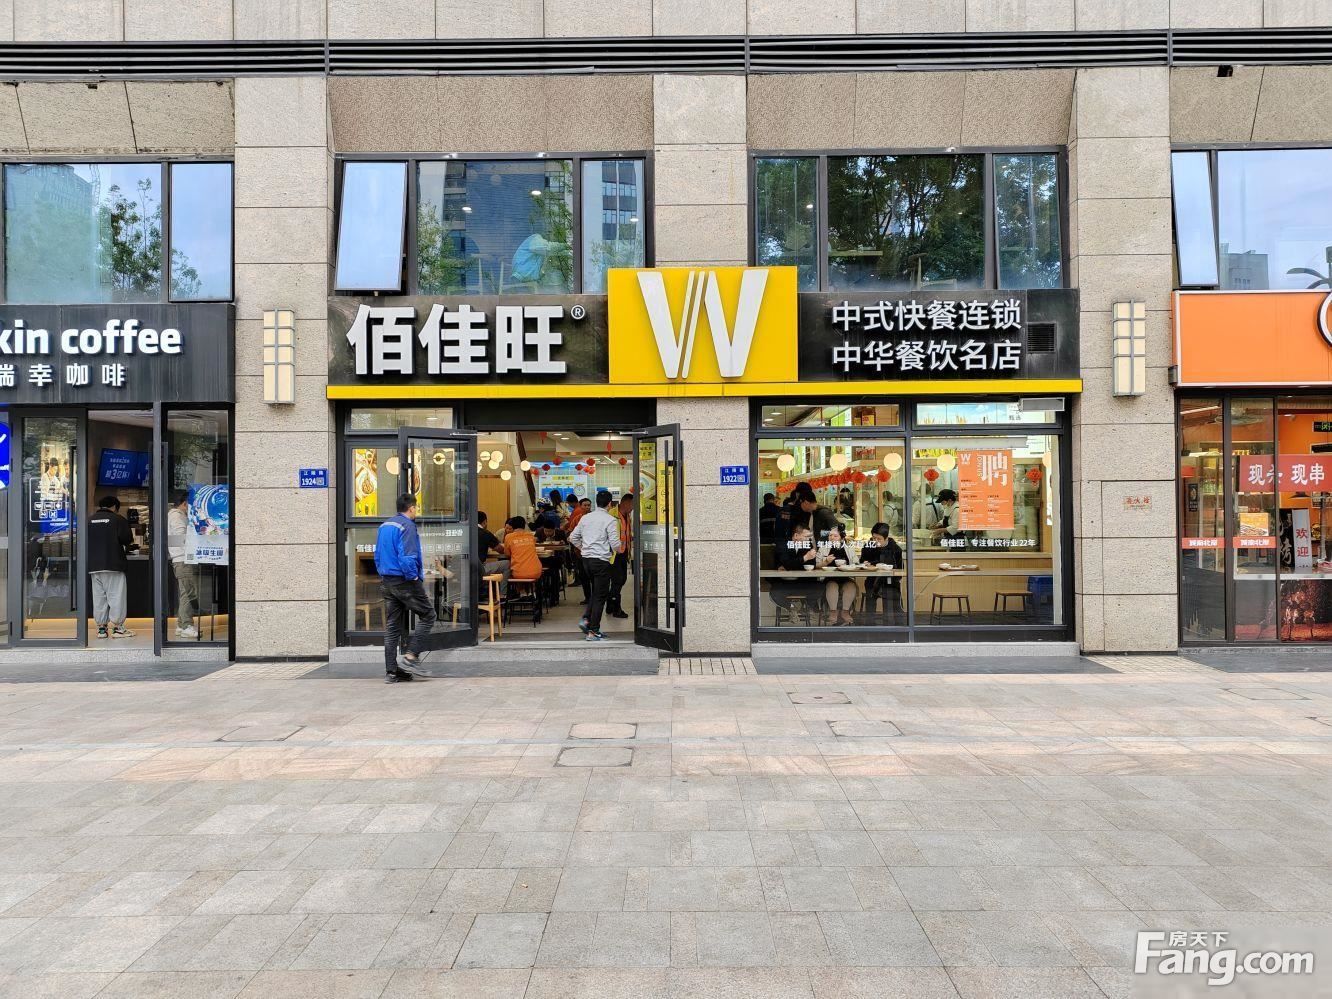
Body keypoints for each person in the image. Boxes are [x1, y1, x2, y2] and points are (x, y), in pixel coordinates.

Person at [375, 492, 434, 683]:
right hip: (404, 581)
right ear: (412, 508)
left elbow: (377, 556)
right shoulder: (407, 526)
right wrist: (414, 577)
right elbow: (407, 556)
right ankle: (411, 656)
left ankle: (391, 672)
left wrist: (384, 574)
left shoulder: (385, 525)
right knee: (428, 615)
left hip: (387, 581)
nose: (416, 511)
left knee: (393, 626)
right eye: (416, 508)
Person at [568, 490, 620, 641]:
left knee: (596, 592)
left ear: (596, 502)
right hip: (601, 561)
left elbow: (572, 537)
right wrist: (619, 549)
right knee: (600, 596)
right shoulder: (610, 520)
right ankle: (593, 631)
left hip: (586, 561)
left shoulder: (585, 518)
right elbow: (614, 543)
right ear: (610, 504)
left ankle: (586, 620)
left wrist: (584, 548)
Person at [89, 496, 136, 639]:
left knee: (99, 598)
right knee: (116, 596)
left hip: (94, 566)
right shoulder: (118, 519)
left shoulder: (89, 520)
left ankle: (101, 629)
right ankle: (118, 628)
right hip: (113, 564)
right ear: (115, 507)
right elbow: (127, 540)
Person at [769, 523, 821, 623]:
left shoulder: (808, 545)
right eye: (806, 536)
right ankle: (792, 608)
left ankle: (806, 607)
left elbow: (811, 565)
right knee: (774, 593)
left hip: (802, 582)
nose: (808, 539)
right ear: (796, 535)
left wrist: (792, 564)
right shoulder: (783, 544)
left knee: (820, 587)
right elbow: (787, 563)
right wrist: (804, 558)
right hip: (783, 583)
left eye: (809, 537)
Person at [166, 489, 199, 639]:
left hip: (180, 558)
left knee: (185, 592)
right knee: (188, 593)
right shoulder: (177, 516)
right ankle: (187, 626)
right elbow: (179, 539)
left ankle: (181, 625)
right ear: (185, 504)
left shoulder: (174, 516)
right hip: (183, 559)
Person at [859, 521, 904, 619]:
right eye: (873, 538)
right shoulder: (868, 546)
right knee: (871, 594)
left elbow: (900, 570)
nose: (875, 541)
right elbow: (862, 562)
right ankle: (870, 623)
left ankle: (894, 623)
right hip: (872, 580)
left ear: (886, 538)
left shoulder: (895, 549)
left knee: (891, 594)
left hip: (890, 582)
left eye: (879, 539)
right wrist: (864, 563)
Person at [821, 526, 860, 625]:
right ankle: (833, 612)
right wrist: (825, 561)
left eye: (835, 536)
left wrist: (852, 565)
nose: (832, 538)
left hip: (845, 577)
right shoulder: (823, 548)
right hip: (829, 577)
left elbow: (856, 562)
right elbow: (816, 564)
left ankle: (845, 612)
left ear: (842, 538)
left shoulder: (849, 548)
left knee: (851, 586)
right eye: (830, 535)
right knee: (832, 586)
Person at [606, 492, 634, 619]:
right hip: (614, 554)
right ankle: (616, 609)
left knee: (621, 580)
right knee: (618, 580)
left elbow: (625, 533)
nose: (633, 508)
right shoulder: (612, 514)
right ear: (626, 503)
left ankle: (610, 604)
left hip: (624, 553)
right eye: (632, 505)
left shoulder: (627, 516)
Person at [566, 497, 594, 604]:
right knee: (583, 576)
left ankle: (595, 598)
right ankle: (588, 598)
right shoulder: (577, 519)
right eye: (585, 505)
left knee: (594, 577)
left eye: (589, 505)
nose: (587, 507)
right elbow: (570, 532)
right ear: (580, 506)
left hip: (593, 553)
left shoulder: (594, 518)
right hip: (580, 552)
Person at [478, 511, 509, 595]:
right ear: (484, 522)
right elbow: (500, 550)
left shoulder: (465, 531)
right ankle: (503, 594)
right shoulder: (485, 533)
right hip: (479, 568)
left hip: (461, 568)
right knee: (507, 564)